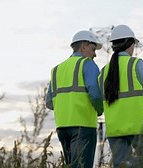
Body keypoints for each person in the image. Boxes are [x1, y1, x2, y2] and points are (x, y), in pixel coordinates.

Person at [98, 24, 143, 168]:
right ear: (130, 44)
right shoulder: (136, 63)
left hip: (115, 127)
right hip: (137, 124)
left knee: (120, 164)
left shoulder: (103, 71)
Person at [46, 30, 103, 168]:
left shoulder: (56, 70)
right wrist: (100, 109)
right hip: (83, 125)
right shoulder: (88, 64)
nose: (95, 54)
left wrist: (66, 107)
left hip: (62, 127)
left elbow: (49, 102)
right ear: (83, 46)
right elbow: (95, 95)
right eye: (93, 49)